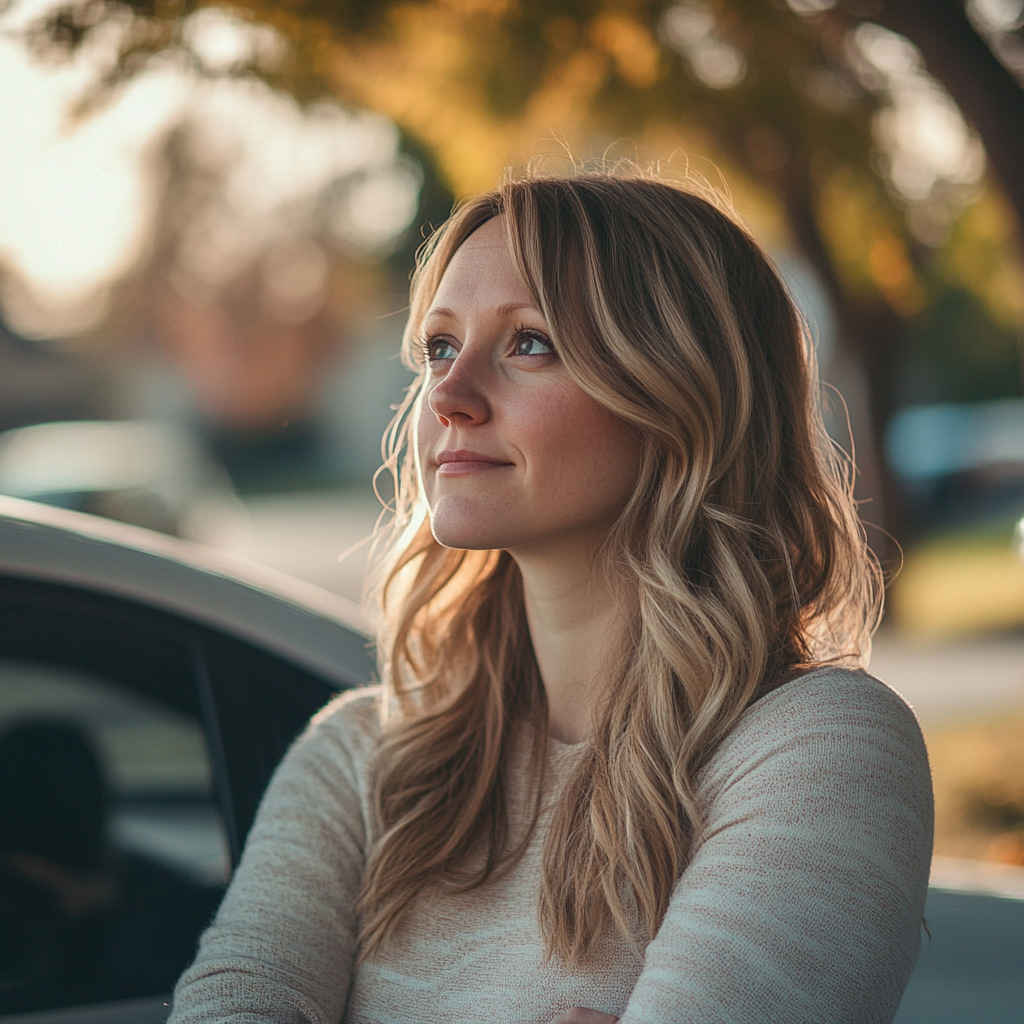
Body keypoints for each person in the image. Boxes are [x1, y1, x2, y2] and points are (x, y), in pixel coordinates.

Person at [169, 169, 933, 1024]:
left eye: (529, 343)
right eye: (439, 348)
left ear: (684, 396)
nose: (450, 398)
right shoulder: (357, 759)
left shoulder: (815, 750)